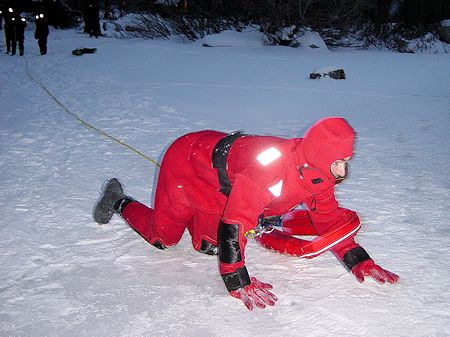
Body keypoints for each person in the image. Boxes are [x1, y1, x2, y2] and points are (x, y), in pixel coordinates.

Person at [93, 117, 399, 311]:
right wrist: (238, 281)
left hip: (220, 186)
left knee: (208, 246)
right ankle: (118, 199)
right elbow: (235, 225)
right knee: (164, 239)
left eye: (346, 160)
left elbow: (328, 220)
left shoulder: (321, 175)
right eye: (338, 161)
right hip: (186, 163)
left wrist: (359, 260)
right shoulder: (268, 170)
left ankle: (191, 216)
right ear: (320, 155)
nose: (343, 170)